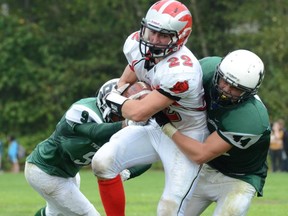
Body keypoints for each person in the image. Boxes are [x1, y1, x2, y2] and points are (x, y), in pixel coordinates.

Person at [91, 1, 209, 215]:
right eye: (151, 31)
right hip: (156, 126)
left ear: (180, 37)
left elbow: (139, 112)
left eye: (163, 36)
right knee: (102, 162)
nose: (153, 40)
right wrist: (120, 88)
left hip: (187, 135)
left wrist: (112, 98)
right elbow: (134, 66)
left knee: (169, 210)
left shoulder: (182, 70)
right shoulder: (136, 43)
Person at [154, 49, 271, 216]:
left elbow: (201, 153)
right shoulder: (205, 70)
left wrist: (166, 126)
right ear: (218, 72)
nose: (226, 89)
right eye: (225, 81)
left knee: (231, 212)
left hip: (240, 177)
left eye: (236, 88)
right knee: (168, 210)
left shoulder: (250, 119)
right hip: (206, 169)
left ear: (249, 93)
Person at [24, 79, 151, 216]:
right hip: (45, 169)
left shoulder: (119, 127)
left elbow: (146, 158)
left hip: (68, 173)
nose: (130, 113)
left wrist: (126, 173)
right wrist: (127, 124)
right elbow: (95, 132)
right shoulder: (84, 110)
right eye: (126, 108)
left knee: (53, 213)